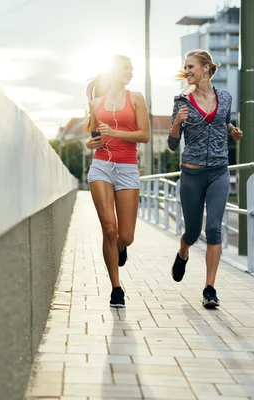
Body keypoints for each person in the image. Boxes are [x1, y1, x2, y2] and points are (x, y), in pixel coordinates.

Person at [167, 50, 243, 308]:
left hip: (219, 171)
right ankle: (183, 251)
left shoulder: (225, 97)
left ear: (205, 68)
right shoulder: (181, 100)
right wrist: (177, 123)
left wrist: (232, 130)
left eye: (191, 66)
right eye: (185, 67)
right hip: (192, 173)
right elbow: (172, 145)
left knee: (213, 229)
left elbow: (224, 121)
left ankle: (210, 288)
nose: (186, 71)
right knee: (192, 231)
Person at [85, 55, 150, 308]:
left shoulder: (136, 99)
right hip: (101, 166)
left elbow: (144, 135)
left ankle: (119, 249)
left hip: (127, 168)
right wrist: (90, 143)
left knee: (126, 236)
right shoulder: (96, 103)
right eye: (126, 68)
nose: (130, 72)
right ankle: (116, 288)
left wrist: (117, 133)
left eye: (132, 69)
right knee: (109, 229)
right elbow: (93, 138)